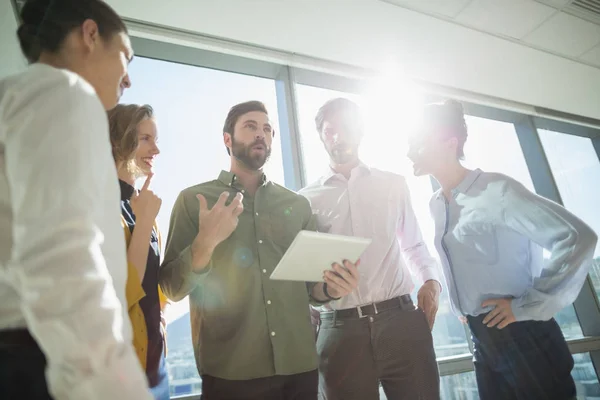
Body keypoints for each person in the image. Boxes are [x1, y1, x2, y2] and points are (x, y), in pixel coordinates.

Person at [0, 0, 152, 399]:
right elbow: (62, 258)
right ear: (89, 34)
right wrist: (119, 387)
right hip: (40, 361)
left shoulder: (12, 96)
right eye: (126, 56)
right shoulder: (65, 92)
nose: (129, 79)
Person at [159, 100, 360, 400]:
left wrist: (332, 287)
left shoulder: (297, 206)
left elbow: (311, 292)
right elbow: (171, 288)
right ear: (227, 139)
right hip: (230, 374)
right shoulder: (194, 201)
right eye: (250, 127)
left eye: (267, 129)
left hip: (299, 369)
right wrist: (206, 243)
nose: (261, 135)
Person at [407, 99, 598, 400]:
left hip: (524, 336)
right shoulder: (436, 205)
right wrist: (463, 306)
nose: (409, 151)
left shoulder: (496, 190)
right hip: (483, 340)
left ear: (449, 142)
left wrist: (527, 305)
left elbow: (578, 237)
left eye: (418, 142)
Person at [299, 98, 442, 400]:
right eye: (329, 131)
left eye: (346, 128)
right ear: (321, 137)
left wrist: (430, 281)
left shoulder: (393, 184)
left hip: (401, 324)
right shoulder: (306, 200)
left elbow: (414, 245)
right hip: (339, 333)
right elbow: (307, 277)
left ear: (361, 130)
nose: (338, 136)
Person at [108, 104, 171, 399]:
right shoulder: (99, 205)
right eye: (145, 138)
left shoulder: (144, 208)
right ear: (116, 142)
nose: (155, 149)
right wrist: (144, 221)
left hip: (156, 364)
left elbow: (154, 291)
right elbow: (122, 292)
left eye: (155, 139)